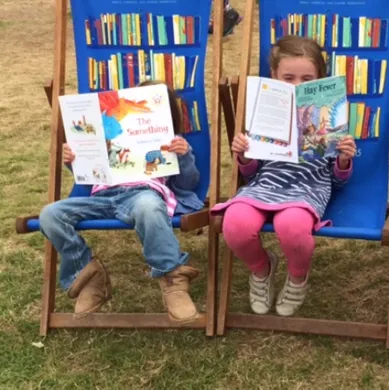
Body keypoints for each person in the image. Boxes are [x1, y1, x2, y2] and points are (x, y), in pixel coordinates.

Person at [210, 35, 357, 317]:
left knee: (292, 227)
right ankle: (262, 268)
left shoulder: (328, 115)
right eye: (288, 78)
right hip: (265, 186)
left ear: (319, 79)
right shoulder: (266, 112)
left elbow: (338, 181)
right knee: (235, 225)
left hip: (307, 187)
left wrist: (343, 158)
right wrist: (244, 155)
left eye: (306, 78)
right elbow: (251, 173)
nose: (297, 86)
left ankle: (298, 277)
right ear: (275, 76)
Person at [39, 80, 205, 324]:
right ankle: (88, 274)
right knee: (50, 214)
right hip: (102, 197)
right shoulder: (109, 133)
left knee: (149, 208)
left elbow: (188, 185)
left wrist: (184, 156)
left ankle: (172, 279)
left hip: (142, 194)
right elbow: (87, 173)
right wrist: (73, 158)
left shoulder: (173, 143)